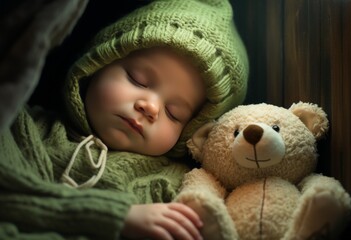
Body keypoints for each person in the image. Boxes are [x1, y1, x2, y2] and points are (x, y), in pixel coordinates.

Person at [0, 0, 249, 239]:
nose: (150, 107)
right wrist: (116, 216)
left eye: (175, 113)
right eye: (137, 79)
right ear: (97, 65)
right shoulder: (20, 124)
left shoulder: (175, 182)